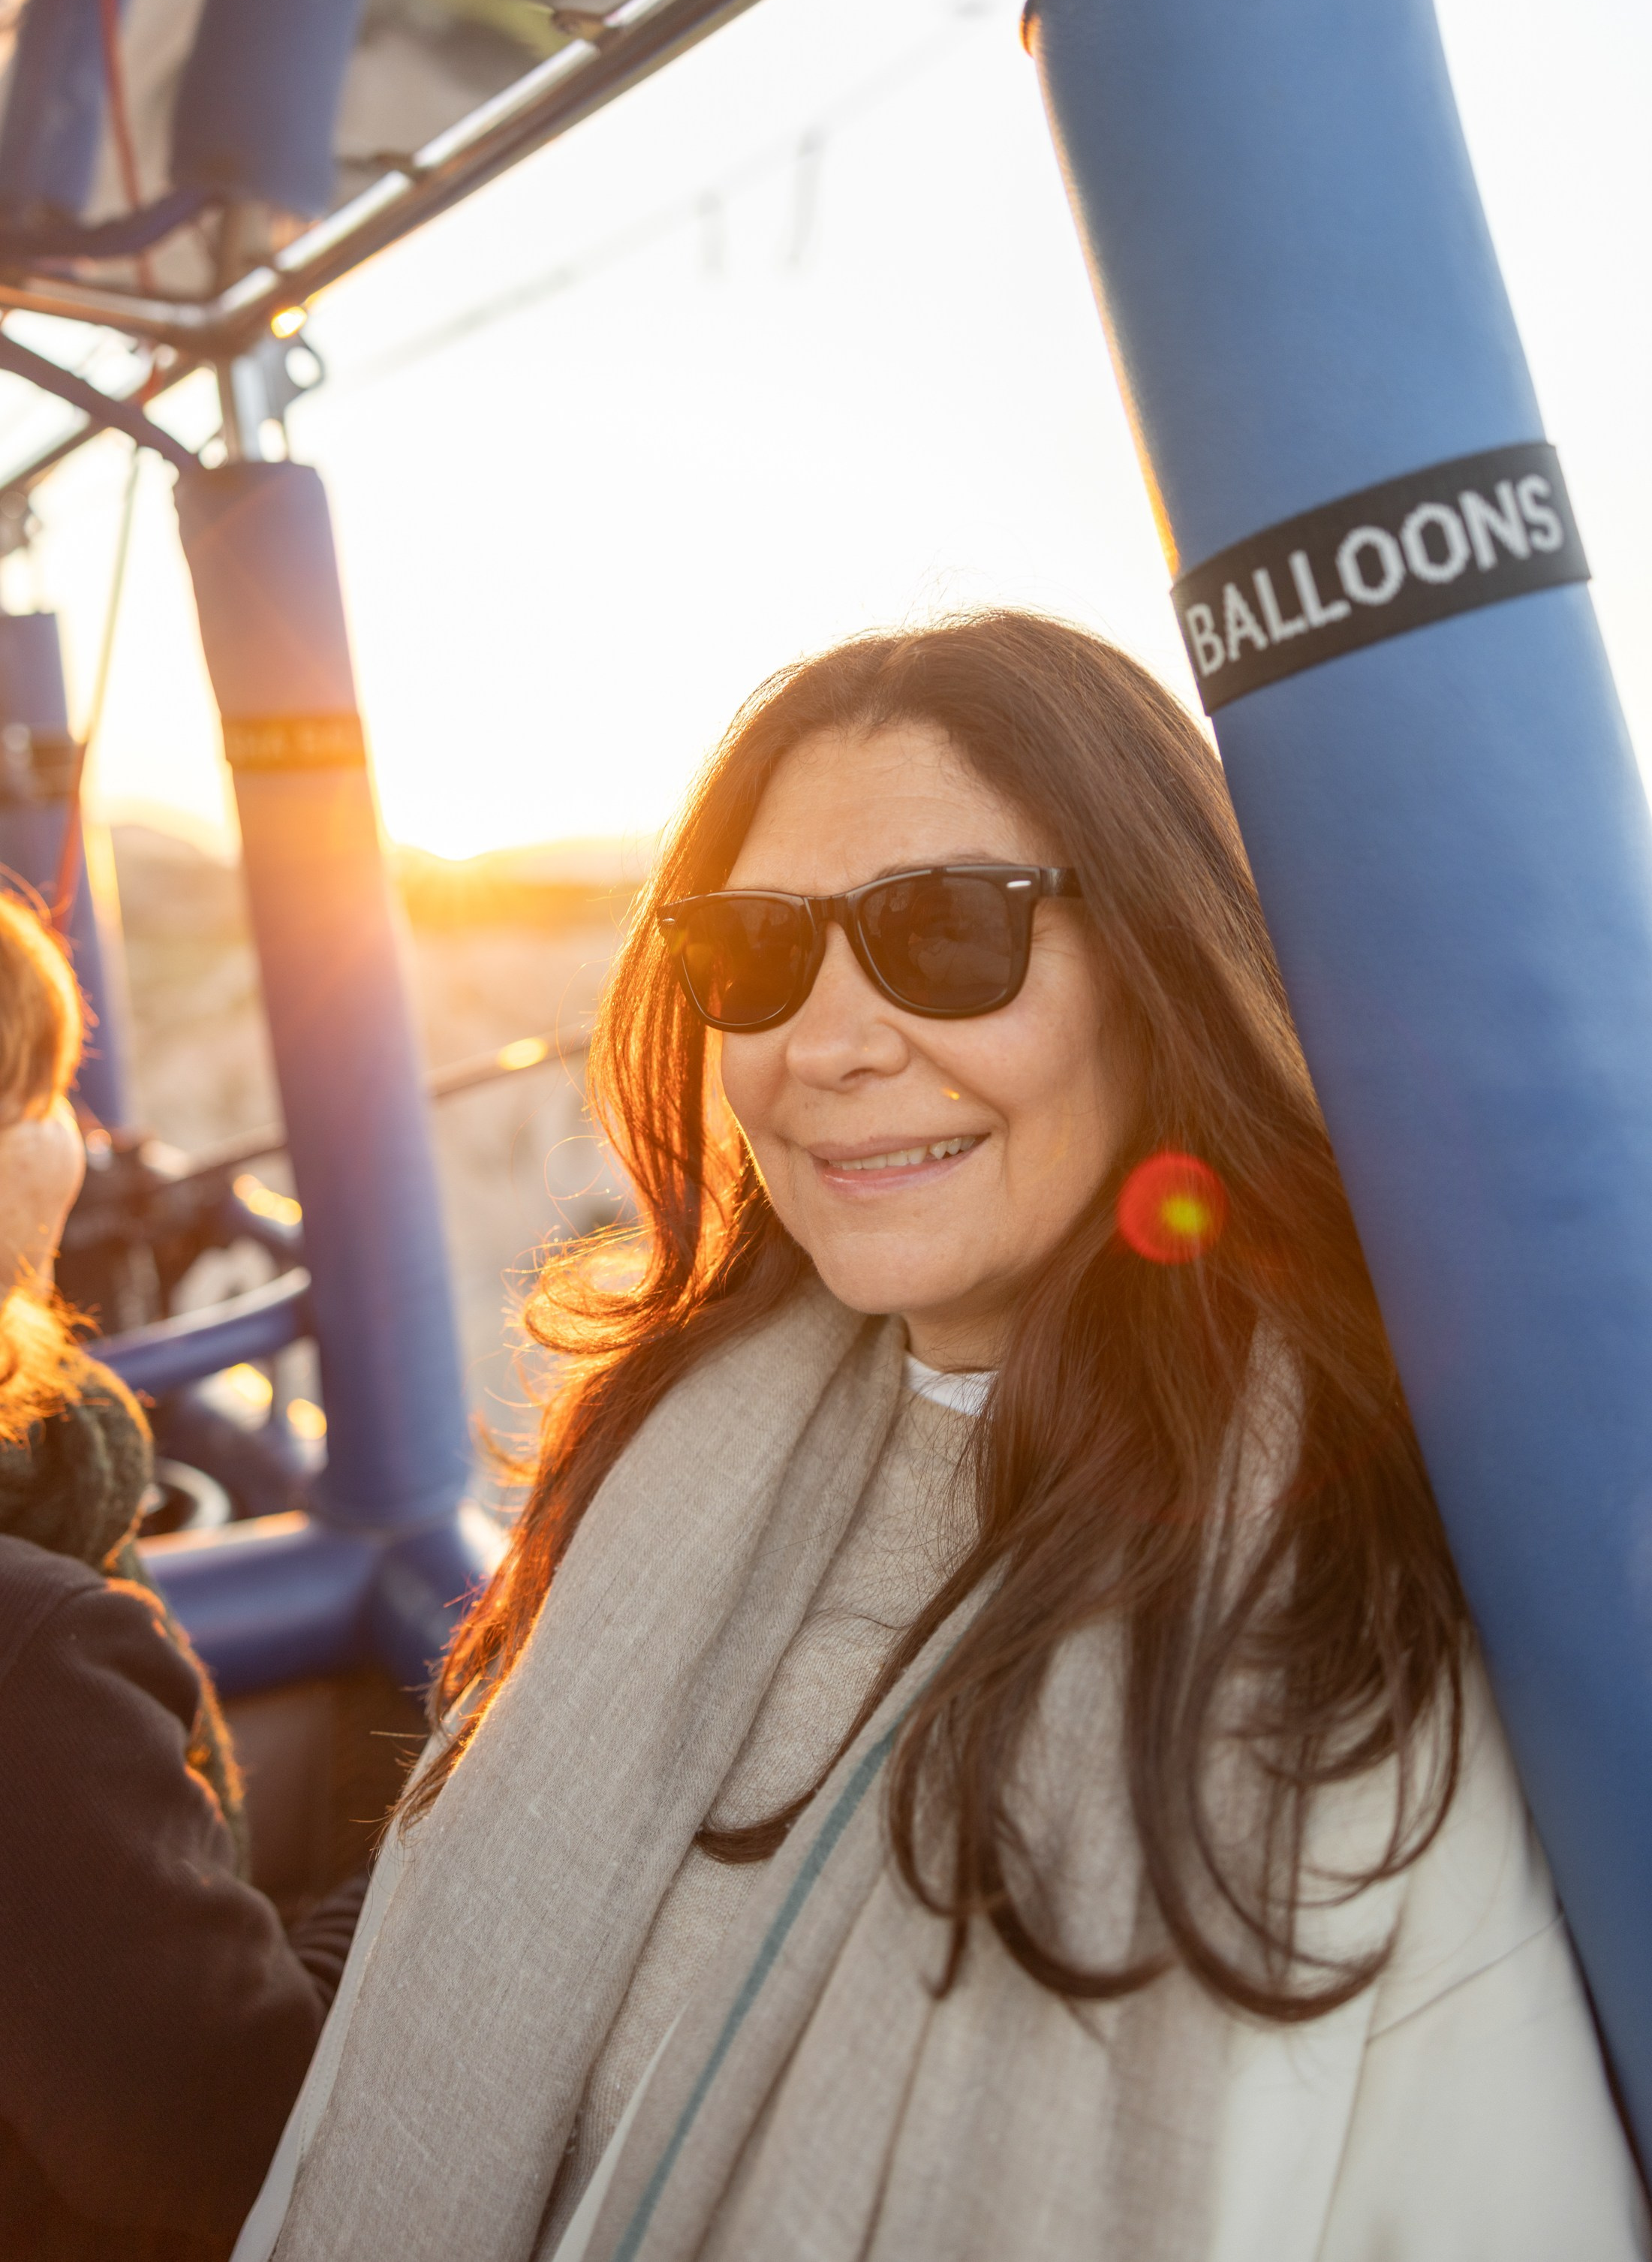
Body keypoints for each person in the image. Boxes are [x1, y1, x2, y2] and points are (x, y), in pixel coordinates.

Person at [238, 613, 1647, 2262]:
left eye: (948, 934)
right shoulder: (661, 1480)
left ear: (1161, 956)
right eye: (754, 953)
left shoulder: (1348, 1611)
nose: (823, 1046)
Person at [0, 890, 339, 2261]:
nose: (79, 1147)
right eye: (39, 1095)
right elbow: (253, 2151)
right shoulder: (38, 1662)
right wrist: (450, 1841)